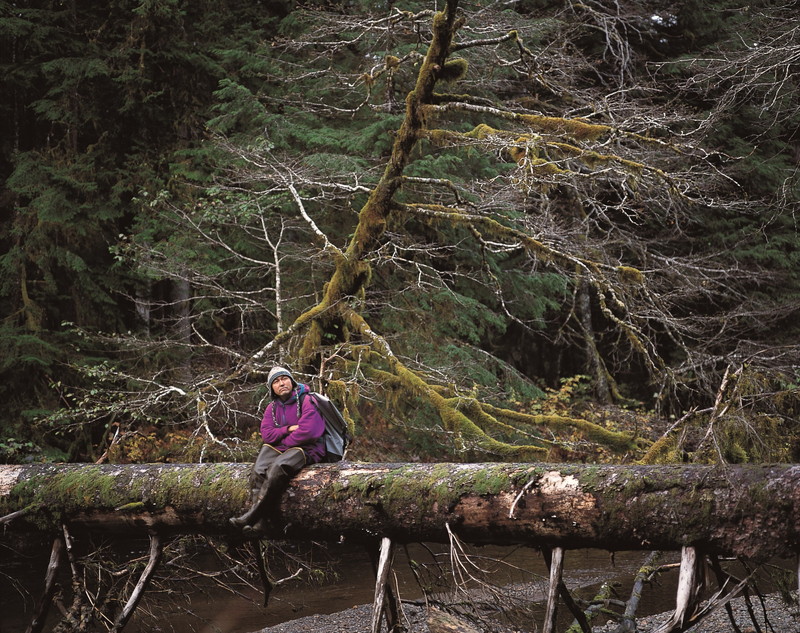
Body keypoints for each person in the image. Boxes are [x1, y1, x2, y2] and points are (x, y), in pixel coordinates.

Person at [229, 366, 326, 535]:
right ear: (272, 388)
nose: (282, 383)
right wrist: (287, 429)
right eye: (276, 381)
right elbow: (267, 435)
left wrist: (284, 441)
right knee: (258, 471)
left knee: (276, 468)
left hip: (309, 449)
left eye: (284, 379)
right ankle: (263, 524)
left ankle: (252, 515)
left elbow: (309, 431)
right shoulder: (272, 408)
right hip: (286, 447)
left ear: (292, 381)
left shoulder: (307, 400)